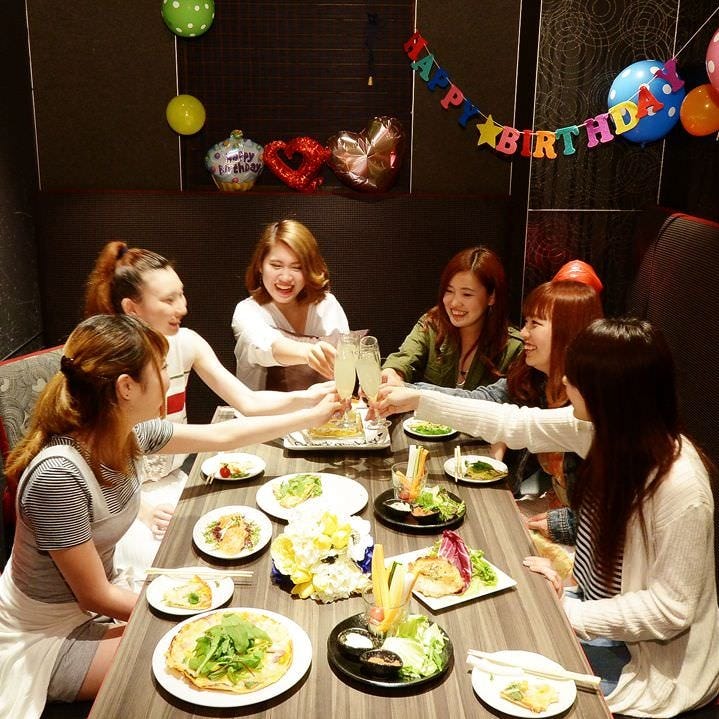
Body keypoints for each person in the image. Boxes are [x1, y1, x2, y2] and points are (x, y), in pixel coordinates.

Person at [0, 314, 340, 718]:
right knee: (196, 664)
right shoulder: (58, 476)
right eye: (161, 368)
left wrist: (314, 415)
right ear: (126, 387)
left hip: (96, 604)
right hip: (44, 636)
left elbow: (224, 435)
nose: (169, 377)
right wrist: (198, 617)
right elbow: (95, 595)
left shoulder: (125, 434)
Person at [377, 318, 719, 716]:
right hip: (593, 610)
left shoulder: (680, 488)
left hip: (647, 664)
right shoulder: (604, 431)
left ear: (612, 391)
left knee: (495, 681)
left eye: (578, 376)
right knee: (491, 631)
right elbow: (516, 423)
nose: (566, 380)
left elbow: (670, 609)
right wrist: (418, 400)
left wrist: (569, 612)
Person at [84, 240, 335, 583]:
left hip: (175, 481)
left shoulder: (186, 342)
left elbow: (247, 403)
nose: (183, 307)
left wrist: (308, 397)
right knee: (179, 570)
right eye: (168, 300)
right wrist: (143, 510)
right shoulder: (108, 365)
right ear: (132, 308)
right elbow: (91, 459)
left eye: (181, 294)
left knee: (236, 535)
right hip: (122, 501)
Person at [414, 280, 603, 555]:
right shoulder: (535, 379)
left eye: (535, 324)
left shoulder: (590, 409)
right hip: (550, 506)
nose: (523, 333)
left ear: (568, 331)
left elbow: (614, 513)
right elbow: (485, 402)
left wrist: (565, 523)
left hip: (586, 539)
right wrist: (410, 392)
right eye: (525, 322)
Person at [381, 246, 523, 391]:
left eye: (467, 294)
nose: (454, 303)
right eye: (449, 291)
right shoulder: (432, 325)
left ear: (491, 297)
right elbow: (404, 358)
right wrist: (392, 373)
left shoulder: (514, 348)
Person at [232, 219, 350, 391]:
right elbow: (267, 347)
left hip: (325, 405)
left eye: (297, 267)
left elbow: (343, 364)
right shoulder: (247, 311)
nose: (286, 278)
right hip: (265, 407)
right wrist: (308, 352)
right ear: (260, 266)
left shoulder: (326, 304)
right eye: (276, 265)